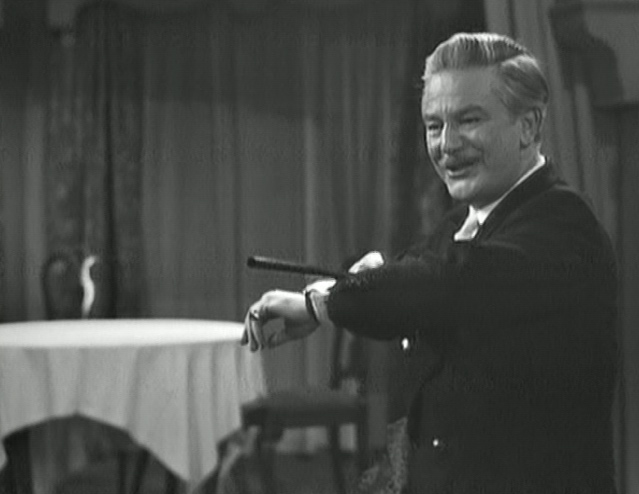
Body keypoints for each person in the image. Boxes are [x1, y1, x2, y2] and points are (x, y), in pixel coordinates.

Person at [242, 32, 619, 494]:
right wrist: (341, 292)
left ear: (529, 126)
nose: (447, 144)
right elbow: (406, 281)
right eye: (434, 125)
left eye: (469, 120)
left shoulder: (563, 225)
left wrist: (319, 304)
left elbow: (442, 284)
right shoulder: (460, 223)